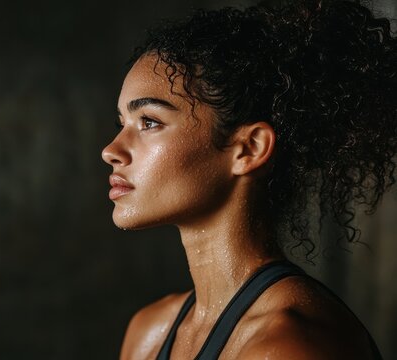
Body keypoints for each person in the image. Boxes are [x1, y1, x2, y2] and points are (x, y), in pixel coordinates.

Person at [101, 0, 396, 359]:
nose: (111, 150)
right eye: (122, 123)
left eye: (149, 122)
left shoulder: (289, 346)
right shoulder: (149, 332)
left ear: (249, 148)